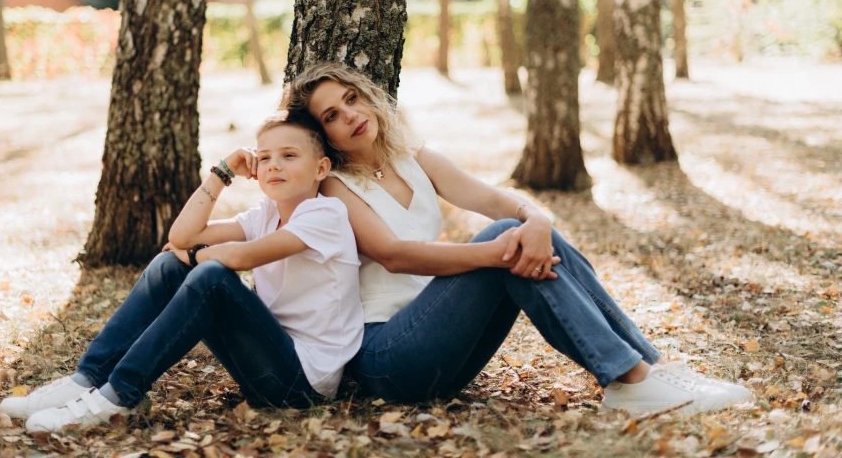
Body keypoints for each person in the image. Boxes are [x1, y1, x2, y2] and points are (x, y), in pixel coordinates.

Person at [283, 62, 752, 416]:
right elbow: (395, 255)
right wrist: (495, 252)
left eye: (351, 98)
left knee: (521, 230)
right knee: (509, 239)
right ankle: (630, 380)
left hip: (443, 347)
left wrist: (537, 217)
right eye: (331, 116)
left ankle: (650, 369)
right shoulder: (335, 186)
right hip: (388, 359)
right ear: (322, 136)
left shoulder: (411, 155)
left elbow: (490, 198)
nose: (349, 115)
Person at [0, 110, 363, 432]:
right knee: (168, 263)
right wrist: (222, 173)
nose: (274, 165)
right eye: (264, 157)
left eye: (289, 155)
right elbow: (181, 236)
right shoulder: (264, 215)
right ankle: (87, 379)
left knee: (210, 276)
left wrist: (195, 255)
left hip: (301, 384)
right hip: (265, 364)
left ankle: (117, 396)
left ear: (321, 168)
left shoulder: (325, 215)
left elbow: (237, 258)